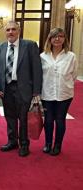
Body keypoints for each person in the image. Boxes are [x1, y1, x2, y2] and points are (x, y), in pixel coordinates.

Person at [0, 21, 42, 157]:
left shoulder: (30, 46)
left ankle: (24, 144)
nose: (11, 32)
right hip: (6, 88)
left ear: (19, 31)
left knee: (24, 117)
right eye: (8, 30)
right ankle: (12, 141)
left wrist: (36, 91)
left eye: (13, 29)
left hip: (23, 88)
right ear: (5, 32)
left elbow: (37, 70)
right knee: (10, 117)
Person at [40, 28, 78, 156]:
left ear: (64, 39)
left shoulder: (71, 56)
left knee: (60, 120)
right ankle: (48, 143)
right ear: (50, 39)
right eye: (54, 36)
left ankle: (57, 145)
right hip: (47, 93)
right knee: (49, 120)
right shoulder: (43, 56)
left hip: (64, 94)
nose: (57, 39)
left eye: (61, 36)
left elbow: (73, 75)